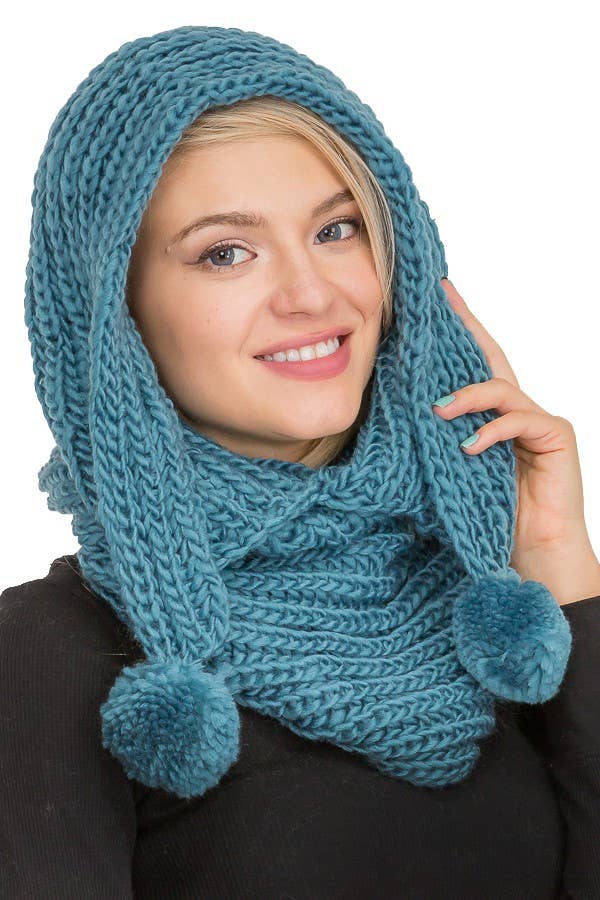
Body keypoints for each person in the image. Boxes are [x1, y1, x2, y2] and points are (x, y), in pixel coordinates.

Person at [1, 24, 599, 899]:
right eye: (226, 252)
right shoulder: (46, 657)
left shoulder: (497, 617)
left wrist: (558, 563)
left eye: (337, 229)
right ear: (114, 314)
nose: (314, 293)